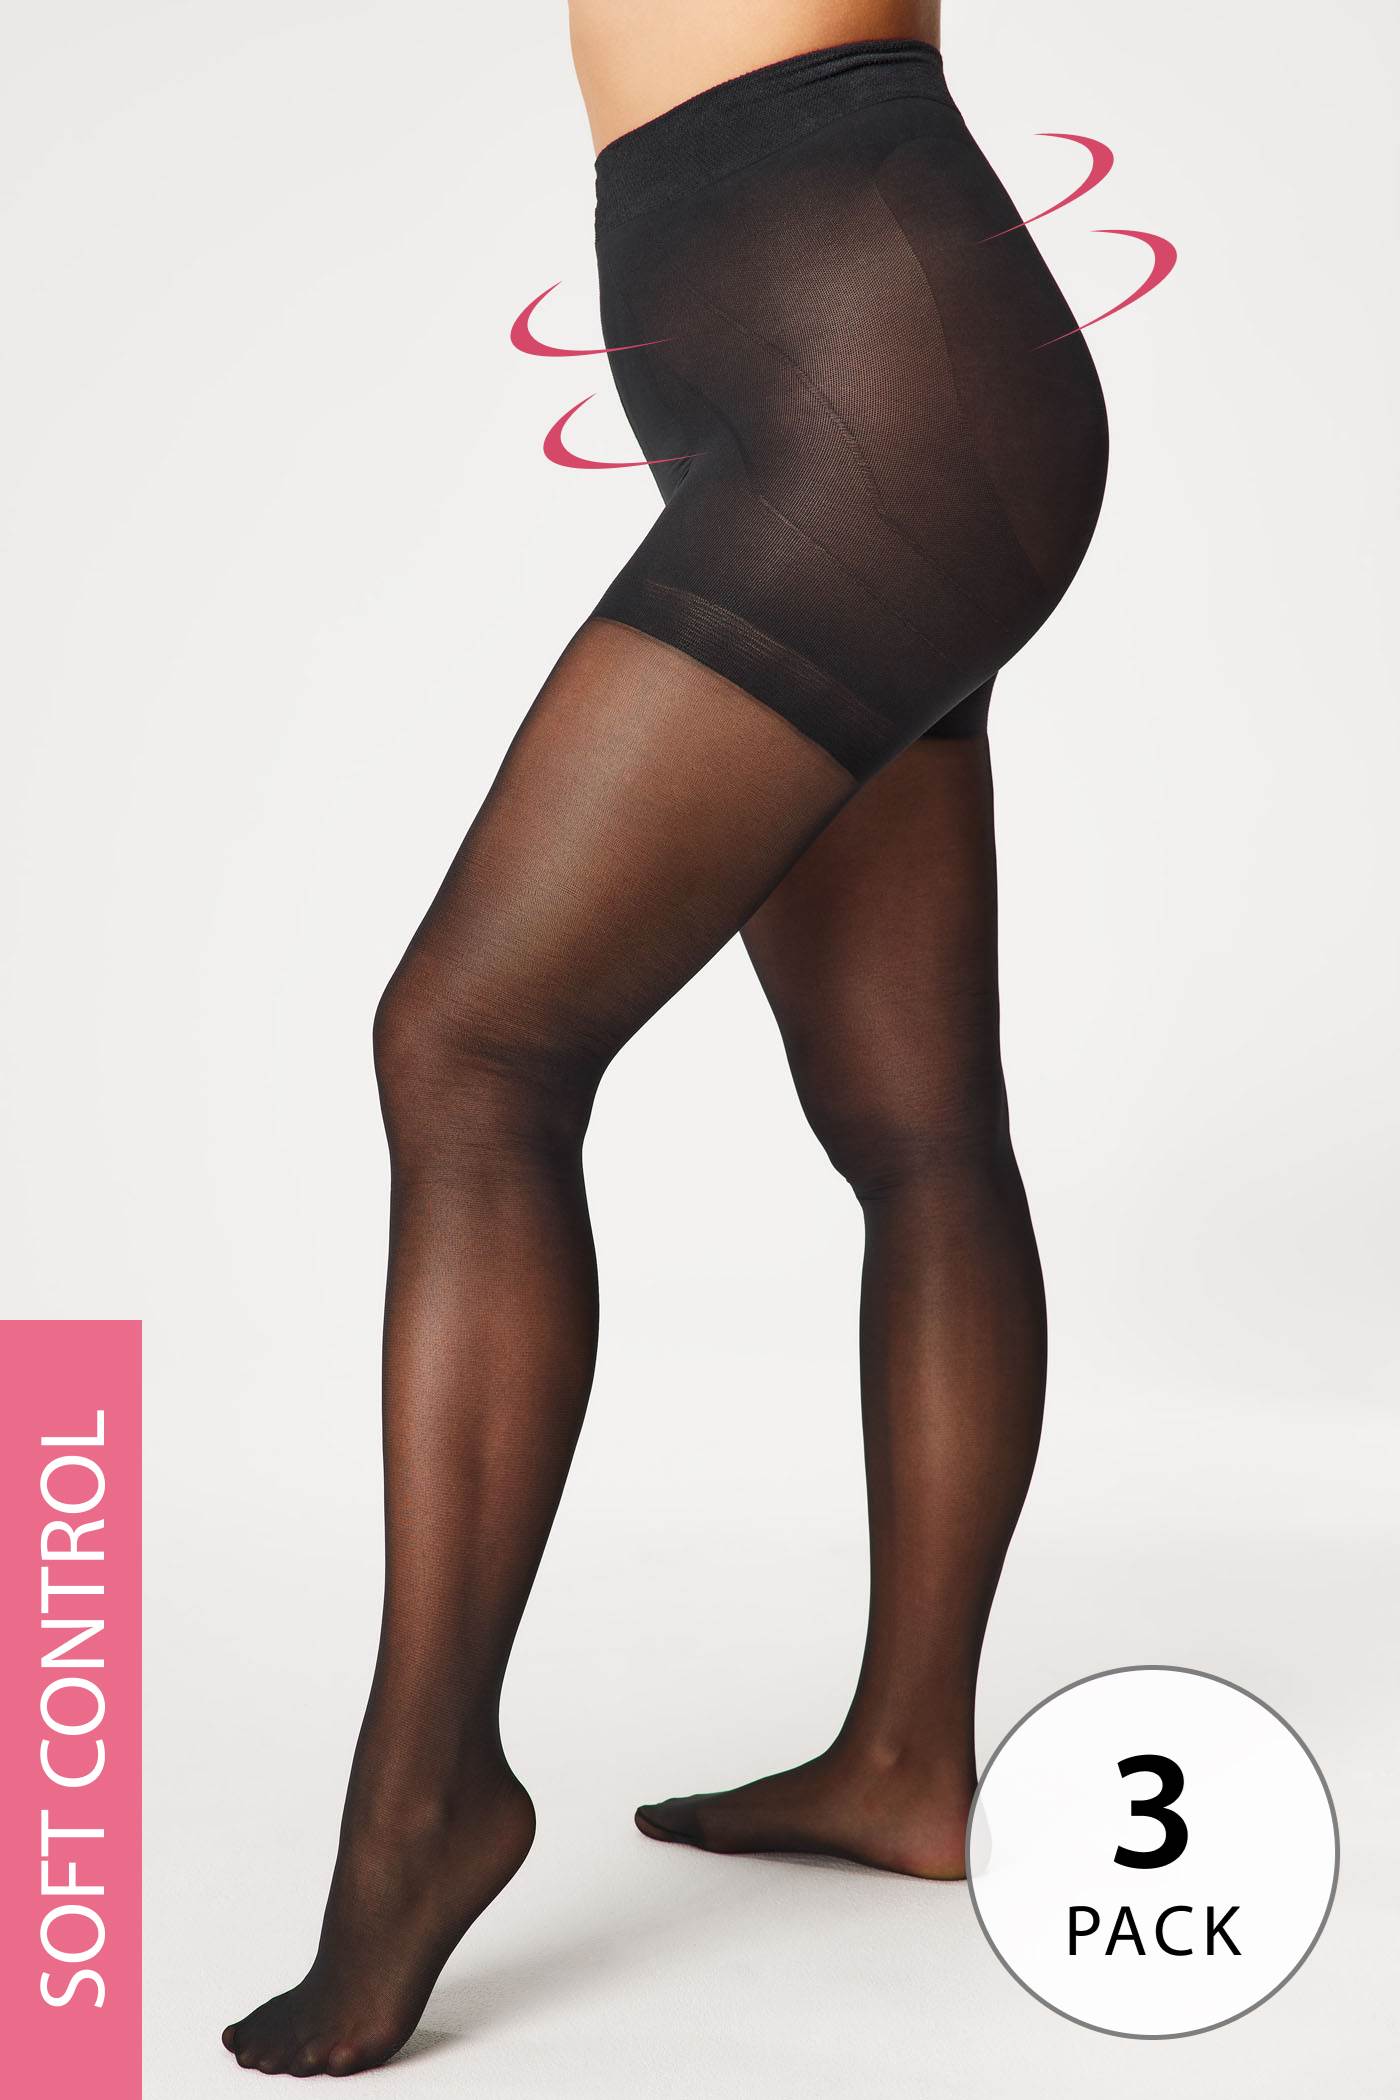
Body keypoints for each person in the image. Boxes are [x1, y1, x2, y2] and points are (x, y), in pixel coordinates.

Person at [223, 0, 1108, 2076]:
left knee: (470, 1049)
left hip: (868, 374)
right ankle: (910, 1761)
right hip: (853, 362)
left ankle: (424, 1806)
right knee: (913, 1122)